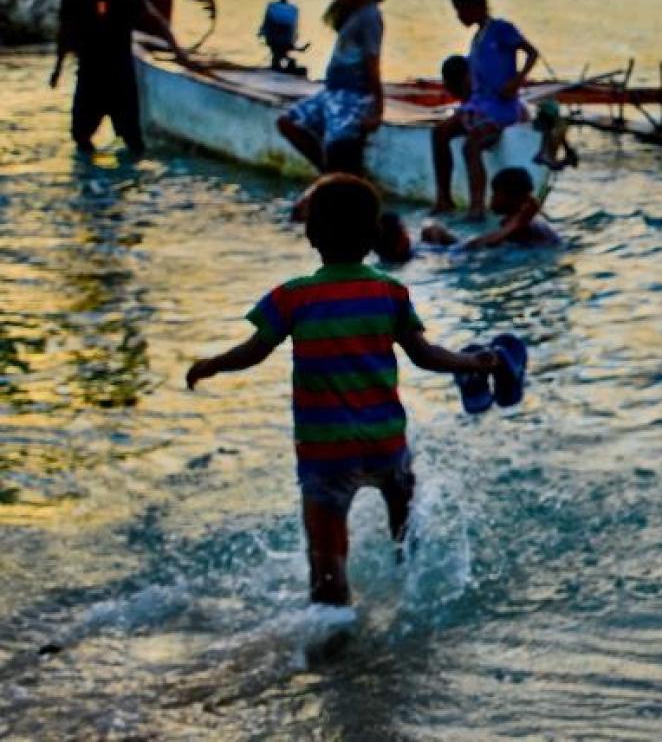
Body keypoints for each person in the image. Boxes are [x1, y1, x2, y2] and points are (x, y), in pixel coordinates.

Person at [186, 174, 499, 606]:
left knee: (327, 559)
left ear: (311, 233)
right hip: (385, 442)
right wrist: (474, 362)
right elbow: (425, 355)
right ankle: (410, 586)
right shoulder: (390, 292)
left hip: (325, 451)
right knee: (404, 516)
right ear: (374, 236)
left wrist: (210, 365)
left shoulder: (292, 298)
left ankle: (332, 641)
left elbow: (254, 352)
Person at [49, 0, 184, 155]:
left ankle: (131, 181)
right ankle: (92, 180)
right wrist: (57, 69)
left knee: (131, 138)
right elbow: (65, 33)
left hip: (119, 77)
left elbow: (156, 19)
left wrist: (178, 52)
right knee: (80, 135)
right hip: (89, 77)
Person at [430, 0, 540, 217]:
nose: (458, 16)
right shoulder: (477, 39)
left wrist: (516, 82)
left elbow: (531, 53)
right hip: (478, 107)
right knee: (439, 133)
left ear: (474, 6)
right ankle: (443, 198)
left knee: (472, 146)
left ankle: (477, 206)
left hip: (500, 110)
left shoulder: (501, 29)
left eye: (460, 10)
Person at [277, 0, 386, 176]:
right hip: (333, 92)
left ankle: (337, 174)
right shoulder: (355, 13)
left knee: (339, 148)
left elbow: (372, 62)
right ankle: (327, 171)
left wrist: (378, 108)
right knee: (287, 123)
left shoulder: (370, 16)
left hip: (352, 95)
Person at [420, 166, 558, 250]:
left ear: (512, 198)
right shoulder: (518, 222)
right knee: (431, 230)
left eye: (495, 194)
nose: (491, 199)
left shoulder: (524, 226)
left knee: (432, 234)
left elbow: (479, 246)